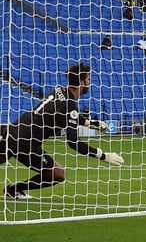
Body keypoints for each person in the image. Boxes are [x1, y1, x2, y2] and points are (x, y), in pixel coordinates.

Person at [0, 63, 122, 199]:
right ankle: (15, 189)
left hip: (12, 130)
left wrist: (92, 123)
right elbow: (73, 142)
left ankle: (12, 191)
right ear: (82, 82)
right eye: (88, 79)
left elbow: (67, 115)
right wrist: (103, 155)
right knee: (58, 174)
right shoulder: (70, 106)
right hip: (25, 143)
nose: (89, 82)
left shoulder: (59, 90)